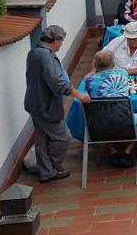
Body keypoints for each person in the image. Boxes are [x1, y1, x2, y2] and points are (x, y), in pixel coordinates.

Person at [24, 25, 90, 183]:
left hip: (34, 103)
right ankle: (51, 167)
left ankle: (46, 171)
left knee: (42, 138)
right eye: (61, 41)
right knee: (63, 137)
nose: (62, 44)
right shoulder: (47, 56)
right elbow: (58, 82)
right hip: (46, 106)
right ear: (55, 40)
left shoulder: (34, 52)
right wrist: (79, 95)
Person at [82, 50, 137, 167]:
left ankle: (114, 152)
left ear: (95, 64)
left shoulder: (88, 80)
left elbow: (89, 76)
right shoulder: (122, 73)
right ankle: (127, 152)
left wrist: (94, 70)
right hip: (124, 121)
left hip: (98, 125)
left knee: (103, 119)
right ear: (113, 63)